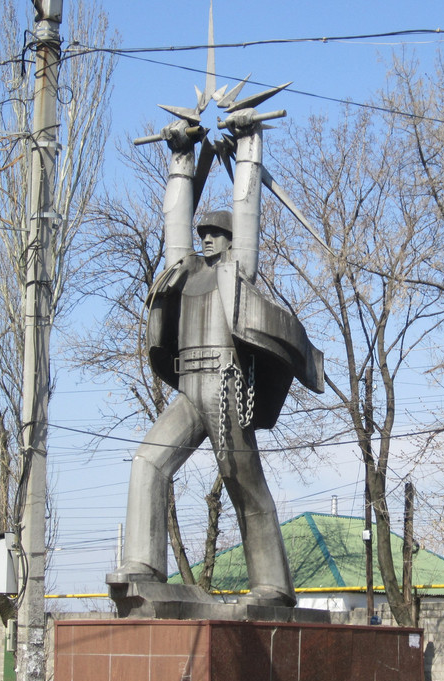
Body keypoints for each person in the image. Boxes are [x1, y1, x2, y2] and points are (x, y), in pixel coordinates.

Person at [108, 112, 323, 608]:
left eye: (214, 232)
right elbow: (172, 227)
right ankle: (144, 563)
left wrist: (249, 145)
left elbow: (247, 210)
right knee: (148, 462)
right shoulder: (182, 275)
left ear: (229, 242)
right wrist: (181, 160)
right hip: (189, 388)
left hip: (226, 386)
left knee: (241, 482)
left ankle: (272, 586)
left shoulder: (236, 271)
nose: (205, 236)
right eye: (202, 231)